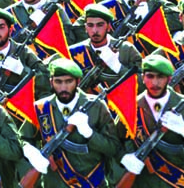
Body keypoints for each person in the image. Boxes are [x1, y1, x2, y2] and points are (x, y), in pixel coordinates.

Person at [19, 57, 120, 187]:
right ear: (51, 82)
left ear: (78, 81)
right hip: (55, 183)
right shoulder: (41, 108)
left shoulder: (96, 106)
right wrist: (31, 152)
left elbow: (113, 148)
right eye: (58, 82)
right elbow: (22, 139)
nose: (63, 87)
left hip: (91, 182)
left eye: (68, 82)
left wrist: (89, 133)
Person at [117, 54, 184, 187]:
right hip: (145, 182)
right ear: (143, 78)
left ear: (169, 78)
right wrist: (125, 157)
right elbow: (115, 143)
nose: (155, 83)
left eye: (160, 77)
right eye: (150, 76)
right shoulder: (131, 106)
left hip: (179, 181)